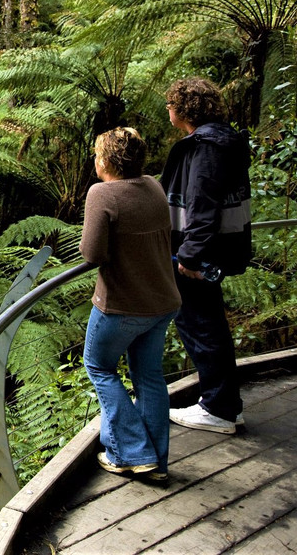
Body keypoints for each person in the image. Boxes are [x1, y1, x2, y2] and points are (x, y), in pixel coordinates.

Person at [81, 127, 181, 481]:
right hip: (163, 299)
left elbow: (92, 253)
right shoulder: (152, 185)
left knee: (99, 367)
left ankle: (131, 453)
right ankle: (156, 463)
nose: (94, 160)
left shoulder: (103, 194)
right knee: (149, 377)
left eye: (96, 154)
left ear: (107, 160)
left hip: (122, 306)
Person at [161, 77, 252, 435]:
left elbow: (202, 205)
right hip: (216, 248)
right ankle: (225, 404)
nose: (168, 110)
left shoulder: (206, 147)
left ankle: (218, 408)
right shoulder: (223, 141)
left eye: (170, 104)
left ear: (183, 109)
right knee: (210, 324)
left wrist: (190, 255)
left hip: (200, 254)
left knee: (201, 327)